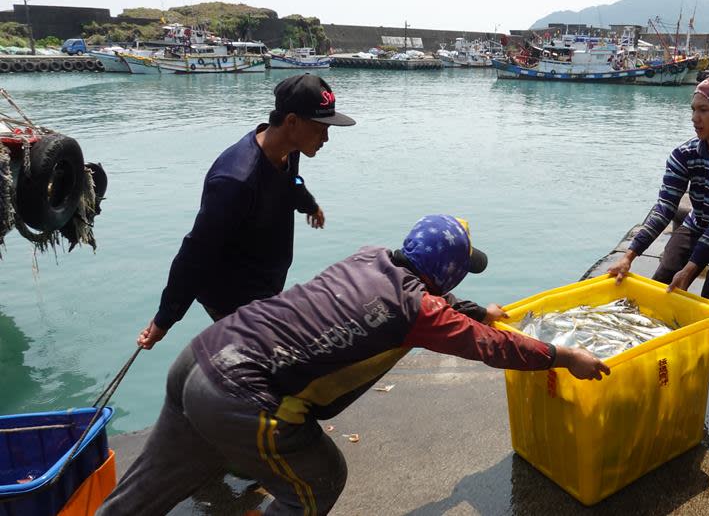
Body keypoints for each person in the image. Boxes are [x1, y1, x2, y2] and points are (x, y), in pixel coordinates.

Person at [98, 215, 610, 515]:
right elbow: (489, 346)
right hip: (241, 396)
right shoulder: (420, 309)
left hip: (202, 356)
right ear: (449, 271)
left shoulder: (370, 259)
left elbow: (419, 306)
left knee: (148, 489)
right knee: (319, 479)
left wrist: (480, 312)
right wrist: (562, 357)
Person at [137, 74, 356, 350]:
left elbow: (292, 181)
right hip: (232, 296)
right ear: (291, 122)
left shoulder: (289, 150)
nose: (326, 137)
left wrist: (308, 204)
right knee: (270, 361)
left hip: (264, 284)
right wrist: (164, 320)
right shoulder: (236, 180)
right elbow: (196, 253)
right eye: (321, 128)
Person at [608, 73, 709, 310]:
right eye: (693, 109)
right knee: (661, 285)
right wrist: (628, 256)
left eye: (704, 110)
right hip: (700, 222)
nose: (695, 118)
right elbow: (665, 207)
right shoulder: (684, 155)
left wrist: (692, 267)